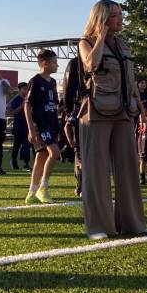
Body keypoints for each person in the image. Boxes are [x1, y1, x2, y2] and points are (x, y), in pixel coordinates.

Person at [77, 0, 147, 239]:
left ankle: (133, 223)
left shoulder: (124, 45)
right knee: (96, 170)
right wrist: (100, 37)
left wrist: (140, 106)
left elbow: (130, 78)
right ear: (102, 19)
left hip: (124, 111)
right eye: (115, 15)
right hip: (96, 112)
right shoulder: (85, 43)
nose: (121, 19)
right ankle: (99, 226)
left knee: (128, 168)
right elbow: (92, 64)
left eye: (120, 14)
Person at [24, 50, 61, 204]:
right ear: (44, 63)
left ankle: (31, 192)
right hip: (41, 125)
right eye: (54, 62)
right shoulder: (36, 81)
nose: (57, 65)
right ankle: (43, 187)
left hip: (52, 124)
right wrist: (31, 129)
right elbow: (27, 106)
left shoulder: (52, 82)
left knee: (41, 156)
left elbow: (53, 104)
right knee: (55, 153)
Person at [62, 56, 83, 197]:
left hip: (101, 112)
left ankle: (93, 184)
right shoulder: (75, 63)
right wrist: (70, 110)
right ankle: (80, 184)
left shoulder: (105, 56)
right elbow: (68, 89)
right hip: (80, 111)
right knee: (80, 153)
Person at [8, 82, 31, 171]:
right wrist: (23, 104)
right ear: (19, 89)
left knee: (26, 146)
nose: (26, 91)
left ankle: (26, 164)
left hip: (27, 126)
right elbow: (14, 111)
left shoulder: (29, 99)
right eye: (24, 89)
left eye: (27, 89)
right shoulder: (16, 99)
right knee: (16, 146)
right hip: (18, 126)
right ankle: (13, 161)